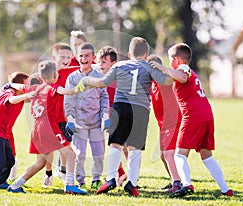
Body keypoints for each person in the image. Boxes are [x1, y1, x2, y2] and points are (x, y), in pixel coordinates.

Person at [74, 37, 173, 196]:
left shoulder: (119, 65)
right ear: (146, 54)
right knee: (135, 147)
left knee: (116, 144)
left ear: (129, 53)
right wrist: (170, 71)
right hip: (140, 109)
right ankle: (132, 183)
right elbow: (166, 81)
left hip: (120, 107)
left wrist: (87, 79)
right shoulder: (148, 66)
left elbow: (102, 82)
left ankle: (111, 178)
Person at [149, 43, 234, 197]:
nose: (169, 61)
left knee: (179, 155)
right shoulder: (186, 71)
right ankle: (225, 189)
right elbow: (171, 80)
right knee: (206, 156)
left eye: (170, 58)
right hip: (206, 114)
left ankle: (187, 185)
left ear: (176, 59)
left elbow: (181, 76)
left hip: (193, 116)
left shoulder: (183, 68)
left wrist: (162, 68)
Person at [7, 61, 86, 195]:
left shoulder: (34, 88)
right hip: (48, 127)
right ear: (55, 75)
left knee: (40, 163)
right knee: (70, 154)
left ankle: (15, 185)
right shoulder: (53, 87)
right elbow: (66, 91)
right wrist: (78, 88)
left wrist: (10, 84)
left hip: (36, 127)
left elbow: (19, 85)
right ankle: (70, 185)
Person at [0, 72, 35, 192]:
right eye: (27, 83)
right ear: (19, 85)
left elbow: (32, 97)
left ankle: (0, 182)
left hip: (4, 132)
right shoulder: (9, 93)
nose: (28, 86)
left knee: (10, 159)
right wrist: (27, 95)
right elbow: (12, 100)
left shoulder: (21, 97)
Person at [64, 42, 109, 191]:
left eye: (87, 56)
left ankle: (96, 179)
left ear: (93, 57)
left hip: (96, 121)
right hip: (79, 122)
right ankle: (80, 181)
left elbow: (104, 97)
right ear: (77, 58)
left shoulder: (99, 76)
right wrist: (70, 119)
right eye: (81, 56)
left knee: (99, 154)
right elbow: (68, 100)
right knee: (79, 154)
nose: (84, 58)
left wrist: (105, 116)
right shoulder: (72, 77)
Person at [42, 42, 78, 188]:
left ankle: (63, 172)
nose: (66, 59)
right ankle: (48, 173)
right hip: (48, 120)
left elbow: (86, 68)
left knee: (65, 148)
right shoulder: (46, 74)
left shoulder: (71, 71)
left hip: (63, 118)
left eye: (68, 57)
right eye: (62, 56)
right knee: (49, 149)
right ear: (54, 57)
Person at [148, 55, 182, 193]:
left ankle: (178, 183)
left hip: (173, 123)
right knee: (163, 156)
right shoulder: (153, 84)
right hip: (163, 125)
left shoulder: (166, 82)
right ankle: (174, 179)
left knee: (169, 154)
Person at [96, 45, 128, 187]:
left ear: (113, 64)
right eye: (99, 61)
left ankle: (131, 175)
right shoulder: (97, 75)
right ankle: (120, 172)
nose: (100, 65)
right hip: (104, 116)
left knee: (125, 146)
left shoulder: (118, 77)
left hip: (119, 114)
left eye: (104, 62)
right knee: (113, 145)